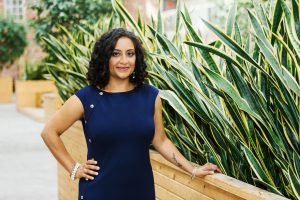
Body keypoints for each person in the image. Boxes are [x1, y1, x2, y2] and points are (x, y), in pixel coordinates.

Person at [41, 28, 221, 200]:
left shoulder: (151, 96)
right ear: (105, 58)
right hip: (99, 191)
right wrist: (74, 168)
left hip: (139, 190)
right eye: (116, 53)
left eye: (130, 53)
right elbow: (49, 132)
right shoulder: (87, 98)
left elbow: (161, 140)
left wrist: (193, 170)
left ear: (137, 58)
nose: (124, 61)